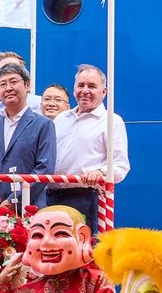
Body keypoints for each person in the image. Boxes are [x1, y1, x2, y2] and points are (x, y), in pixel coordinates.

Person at [0, 61, 54, 210]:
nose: (8, 88)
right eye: (3, 84)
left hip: (29, 210)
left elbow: (44, 168)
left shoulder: (43, 125)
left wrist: (14, 200)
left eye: (13, 82)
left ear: (27, 85)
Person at [48, 64, 129, 226]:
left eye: (92, 86)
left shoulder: (111, 121)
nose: (85, 90)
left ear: (104, 92)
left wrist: (100, 172)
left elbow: (121, 166)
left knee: (78, 242)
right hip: (49, 195)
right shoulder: (61, 118)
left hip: (83, 197)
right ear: (74, 90)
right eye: (81, 85)